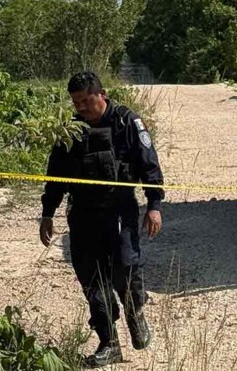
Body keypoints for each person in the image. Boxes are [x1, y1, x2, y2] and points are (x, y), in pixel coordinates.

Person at [39, 71, 164, 367]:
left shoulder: (126, 122)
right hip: (83, 214)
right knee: (92, 280)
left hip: (119, 210)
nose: (81, 107)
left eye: (86, 100)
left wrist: (154, 205)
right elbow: (55, 176)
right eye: (76, 102)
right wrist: (47, 213)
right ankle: (109, 343)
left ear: (102, 94)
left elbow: (149, 164)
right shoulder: (70, 131)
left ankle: (135, 314)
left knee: (125, 269)